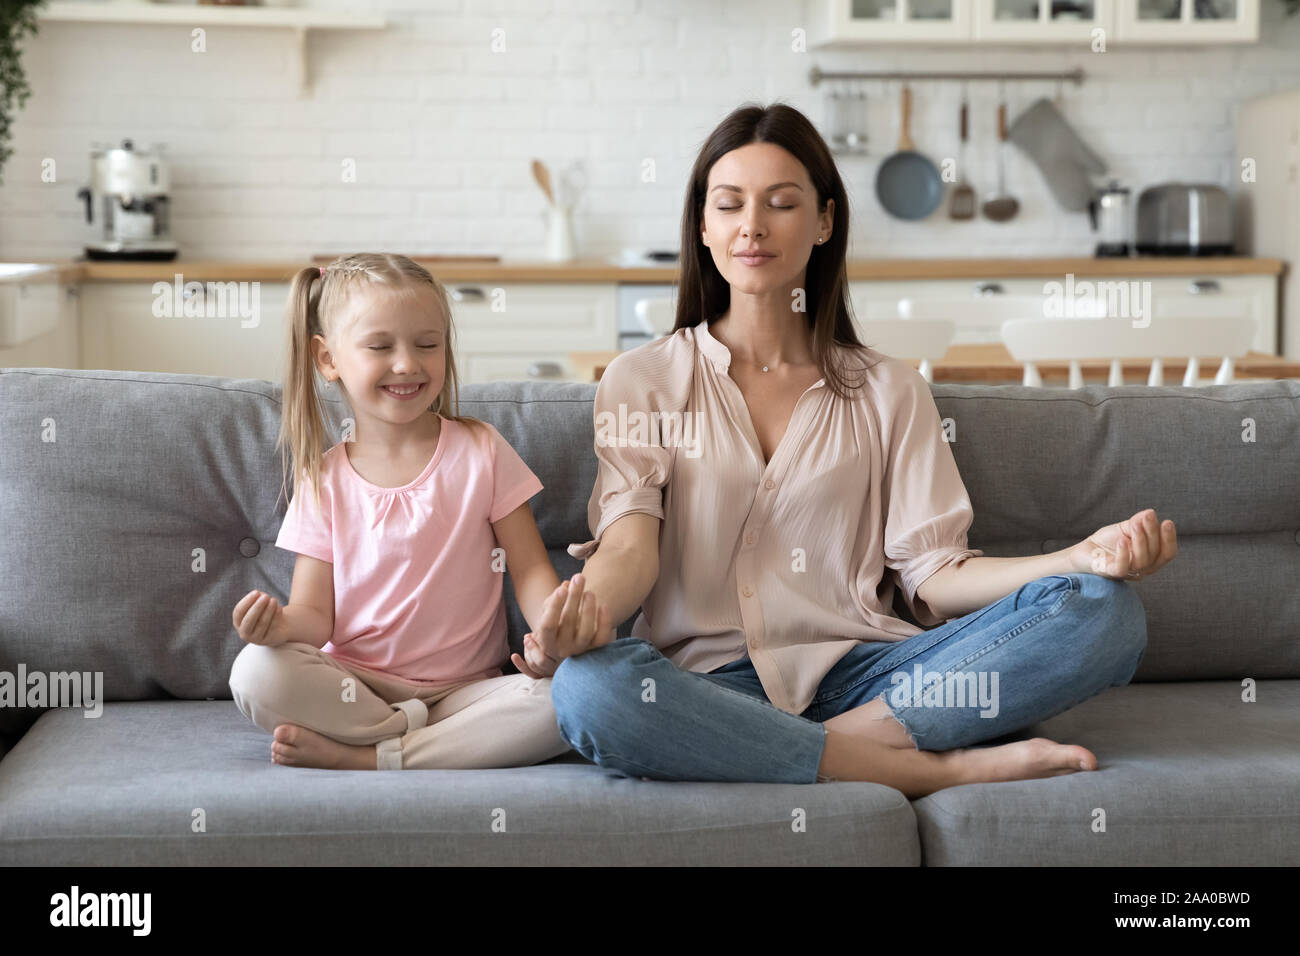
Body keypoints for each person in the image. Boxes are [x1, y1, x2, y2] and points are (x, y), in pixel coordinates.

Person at [538, 104, 1179, 797]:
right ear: (703, 226)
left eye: (781, 203)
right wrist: (580, 616)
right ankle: (924, 768)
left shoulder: (890, 390)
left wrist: (1080, 558)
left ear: (823, 222)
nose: (751, 225)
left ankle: (827, 750)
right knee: (589, 689)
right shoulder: (643, 381)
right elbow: (630, 546)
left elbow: (934, 574)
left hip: (877, 680)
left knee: (1104, 610)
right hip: (706, 687)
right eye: (729, 205)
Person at [228, 253, 609, 770]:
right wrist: (277, 629)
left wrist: (555, 630)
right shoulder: (323, 480)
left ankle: (372, 757)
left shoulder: (482, 450)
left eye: (427, 344)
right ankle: (408, 738)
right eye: (380, 347)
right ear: (328, 359)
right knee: (254, 672)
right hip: (356, 688)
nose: (408, 363)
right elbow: (315, 618)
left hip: (465, 693)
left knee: (563, 699)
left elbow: (531, 570)